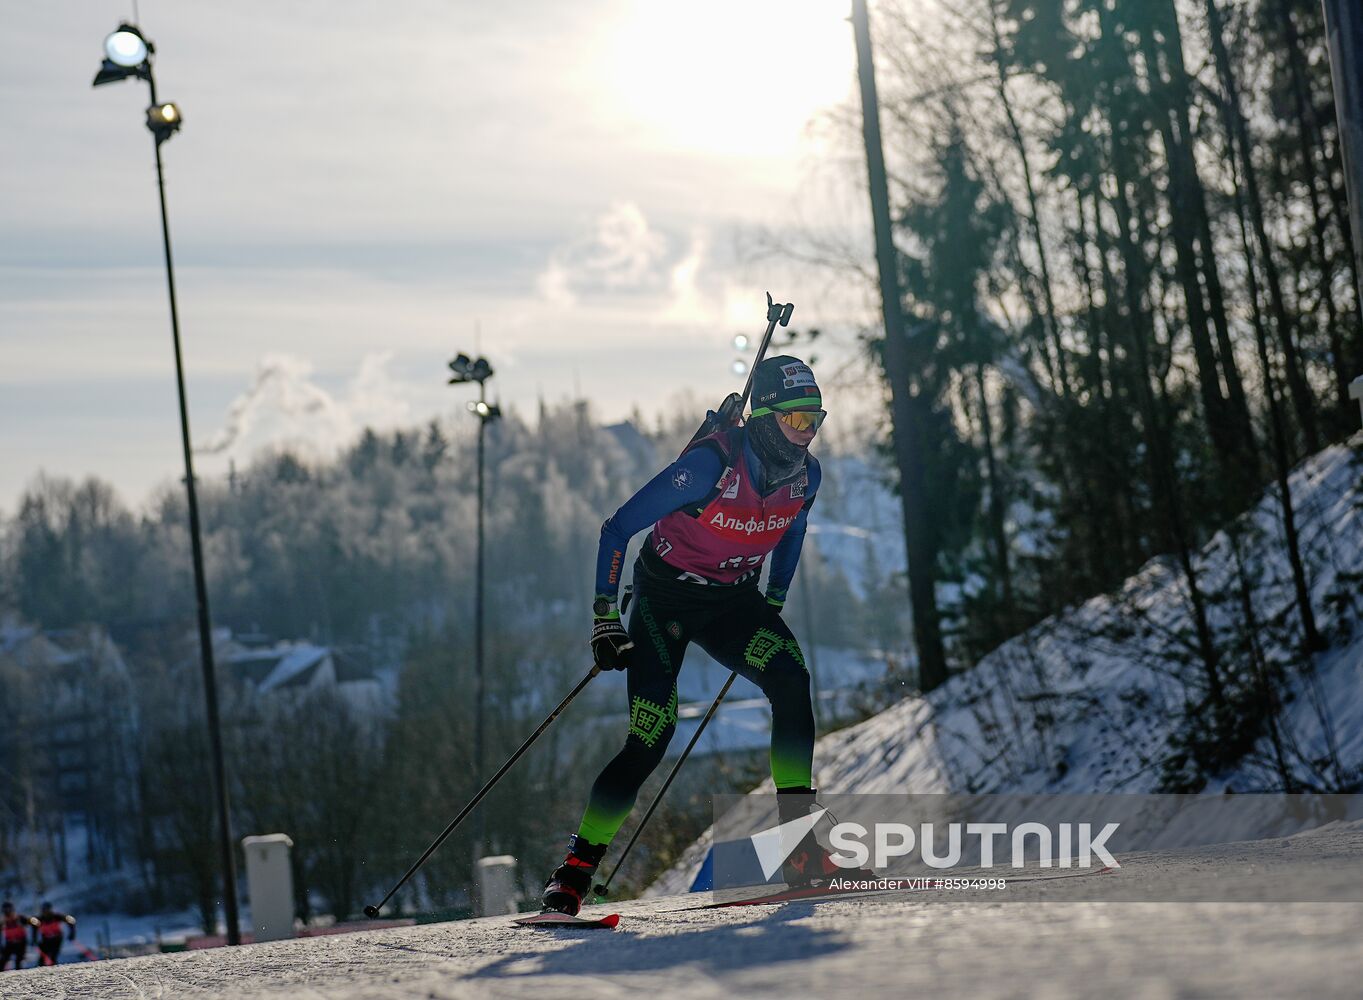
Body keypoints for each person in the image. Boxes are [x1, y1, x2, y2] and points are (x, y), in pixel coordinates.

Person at [541, 356, 868, 915]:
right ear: (763, 418)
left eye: (814, 421)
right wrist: (604, 618)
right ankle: (574, 873)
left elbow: (793, 530)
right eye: (795, 422)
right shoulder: (706, 467)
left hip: (732, 601)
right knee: (652, 735)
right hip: (663, 600)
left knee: (791, 681)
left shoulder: (807, 476)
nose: (805, 435)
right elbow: (618, 527)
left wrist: (773, 602)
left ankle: (800, 849)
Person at [33, 902, 75, 967]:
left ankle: (53, 970)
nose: (45, 912)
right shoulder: (40, 919)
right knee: (42, 959)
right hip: (46, 940)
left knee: (53, 956)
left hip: (57, 939)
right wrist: (34, 939)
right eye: (44, 910)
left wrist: (72, 933)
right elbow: (34, 928)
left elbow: (71, 921)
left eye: (47, 909)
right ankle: (42, 971)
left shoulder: (57, 916)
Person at [1, 902, 36, 971]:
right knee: (2, 961)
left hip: (21, 943)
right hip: (10, 943)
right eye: (5, 910)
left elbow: (32, 922)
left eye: (8, 910)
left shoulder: (19, 918)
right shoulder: (3, 922)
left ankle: (19, 976)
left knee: (18, 962)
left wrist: (33, 921)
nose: (7, 912)